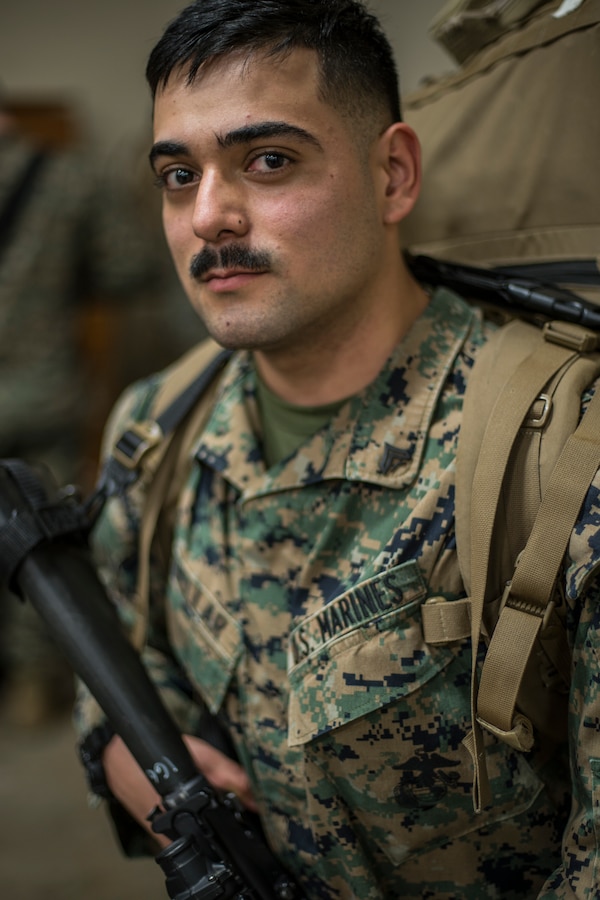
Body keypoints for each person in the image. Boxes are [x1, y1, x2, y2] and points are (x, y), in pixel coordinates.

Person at [74, 1, 600, 897]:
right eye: (176, 174)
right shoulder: (157, 422)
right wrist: (117, 744)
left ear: (393, 174)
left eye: (268, 161)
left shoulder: (561, 458)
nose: (208, 216)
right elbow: (117, 642)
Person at [0, 96, 156, 725]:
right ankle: (35, 686)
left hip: (41, 391)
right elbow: (130, 269)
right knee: (35, 539)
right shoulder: (69, 177)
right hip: (40, 393)